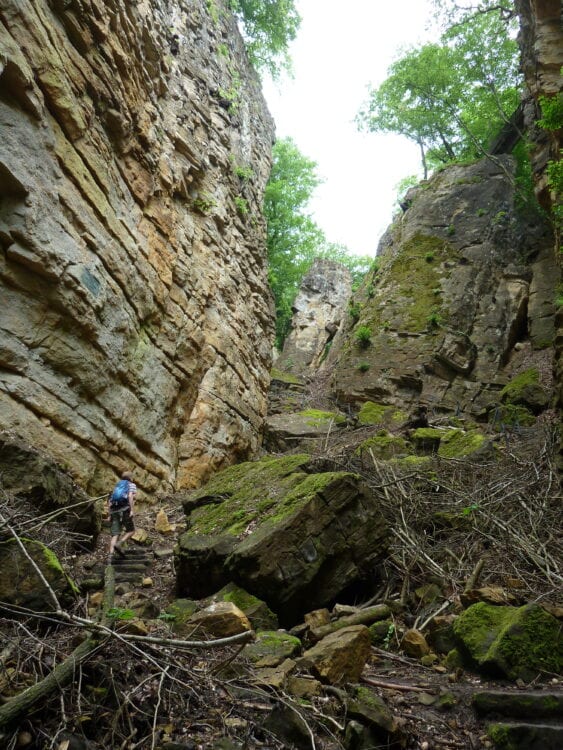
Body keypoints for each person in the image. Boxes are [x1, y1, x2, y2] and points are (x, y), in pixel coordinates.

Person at [108, 471, 137, 559]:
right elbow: (130, 496)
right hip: (124, 510)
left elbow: (110, 501)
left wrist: (110, 515)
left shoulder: (118, 485)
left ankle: (110, 558)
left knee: (115, 534)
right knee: (131, 531)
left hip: (114, 511)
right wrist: (132, 510)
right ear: (131, 478)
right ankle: (119, 544)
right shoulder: (131, 485)